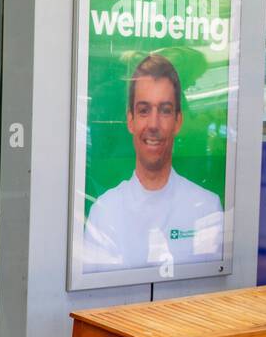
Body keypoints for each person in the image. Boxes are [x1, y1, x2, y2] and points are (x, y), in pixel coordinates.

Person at [83, 53, 224, 273]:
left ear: (178, 121)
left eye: (165, 110)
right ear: (130, 120)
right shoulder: (105, 213)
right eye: (144, 110)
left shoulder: (206, 208)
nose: (153, 124)